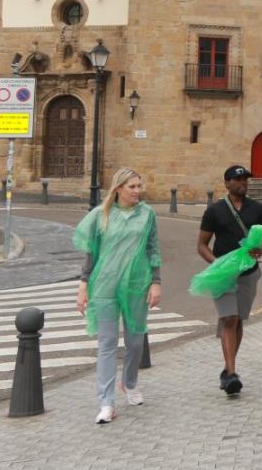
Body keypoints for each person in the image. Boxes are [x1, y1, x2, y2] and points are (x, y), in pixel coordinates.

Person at [74, 168, 161, 424]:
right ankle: (106, 403)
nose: (137, 191)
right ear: (118, 189)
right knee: (107, 344)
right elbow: (90, 254)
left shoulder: (147, 214)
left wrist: (156, 282)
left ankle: (129, 382)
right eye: (132, 186)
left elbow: (153, 248)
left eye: (138, 186)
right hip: (105, 285)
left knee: (135, 341)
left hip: (136, 283)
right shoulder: (100, 216)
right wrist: (83, 285)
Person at [198, 165, 262, 396]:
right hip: (223, 275)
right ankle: (231, 374)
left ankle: (227, 369)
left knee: (238, 320)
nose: (243, 182)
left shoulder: (258, 209)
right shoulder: (215, 210)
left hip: (248, 274)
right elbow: (201, 245)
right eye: (238, 179)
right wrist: (217, 265)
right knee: (228, 319)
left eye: (245, 179)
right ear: (227, 183)